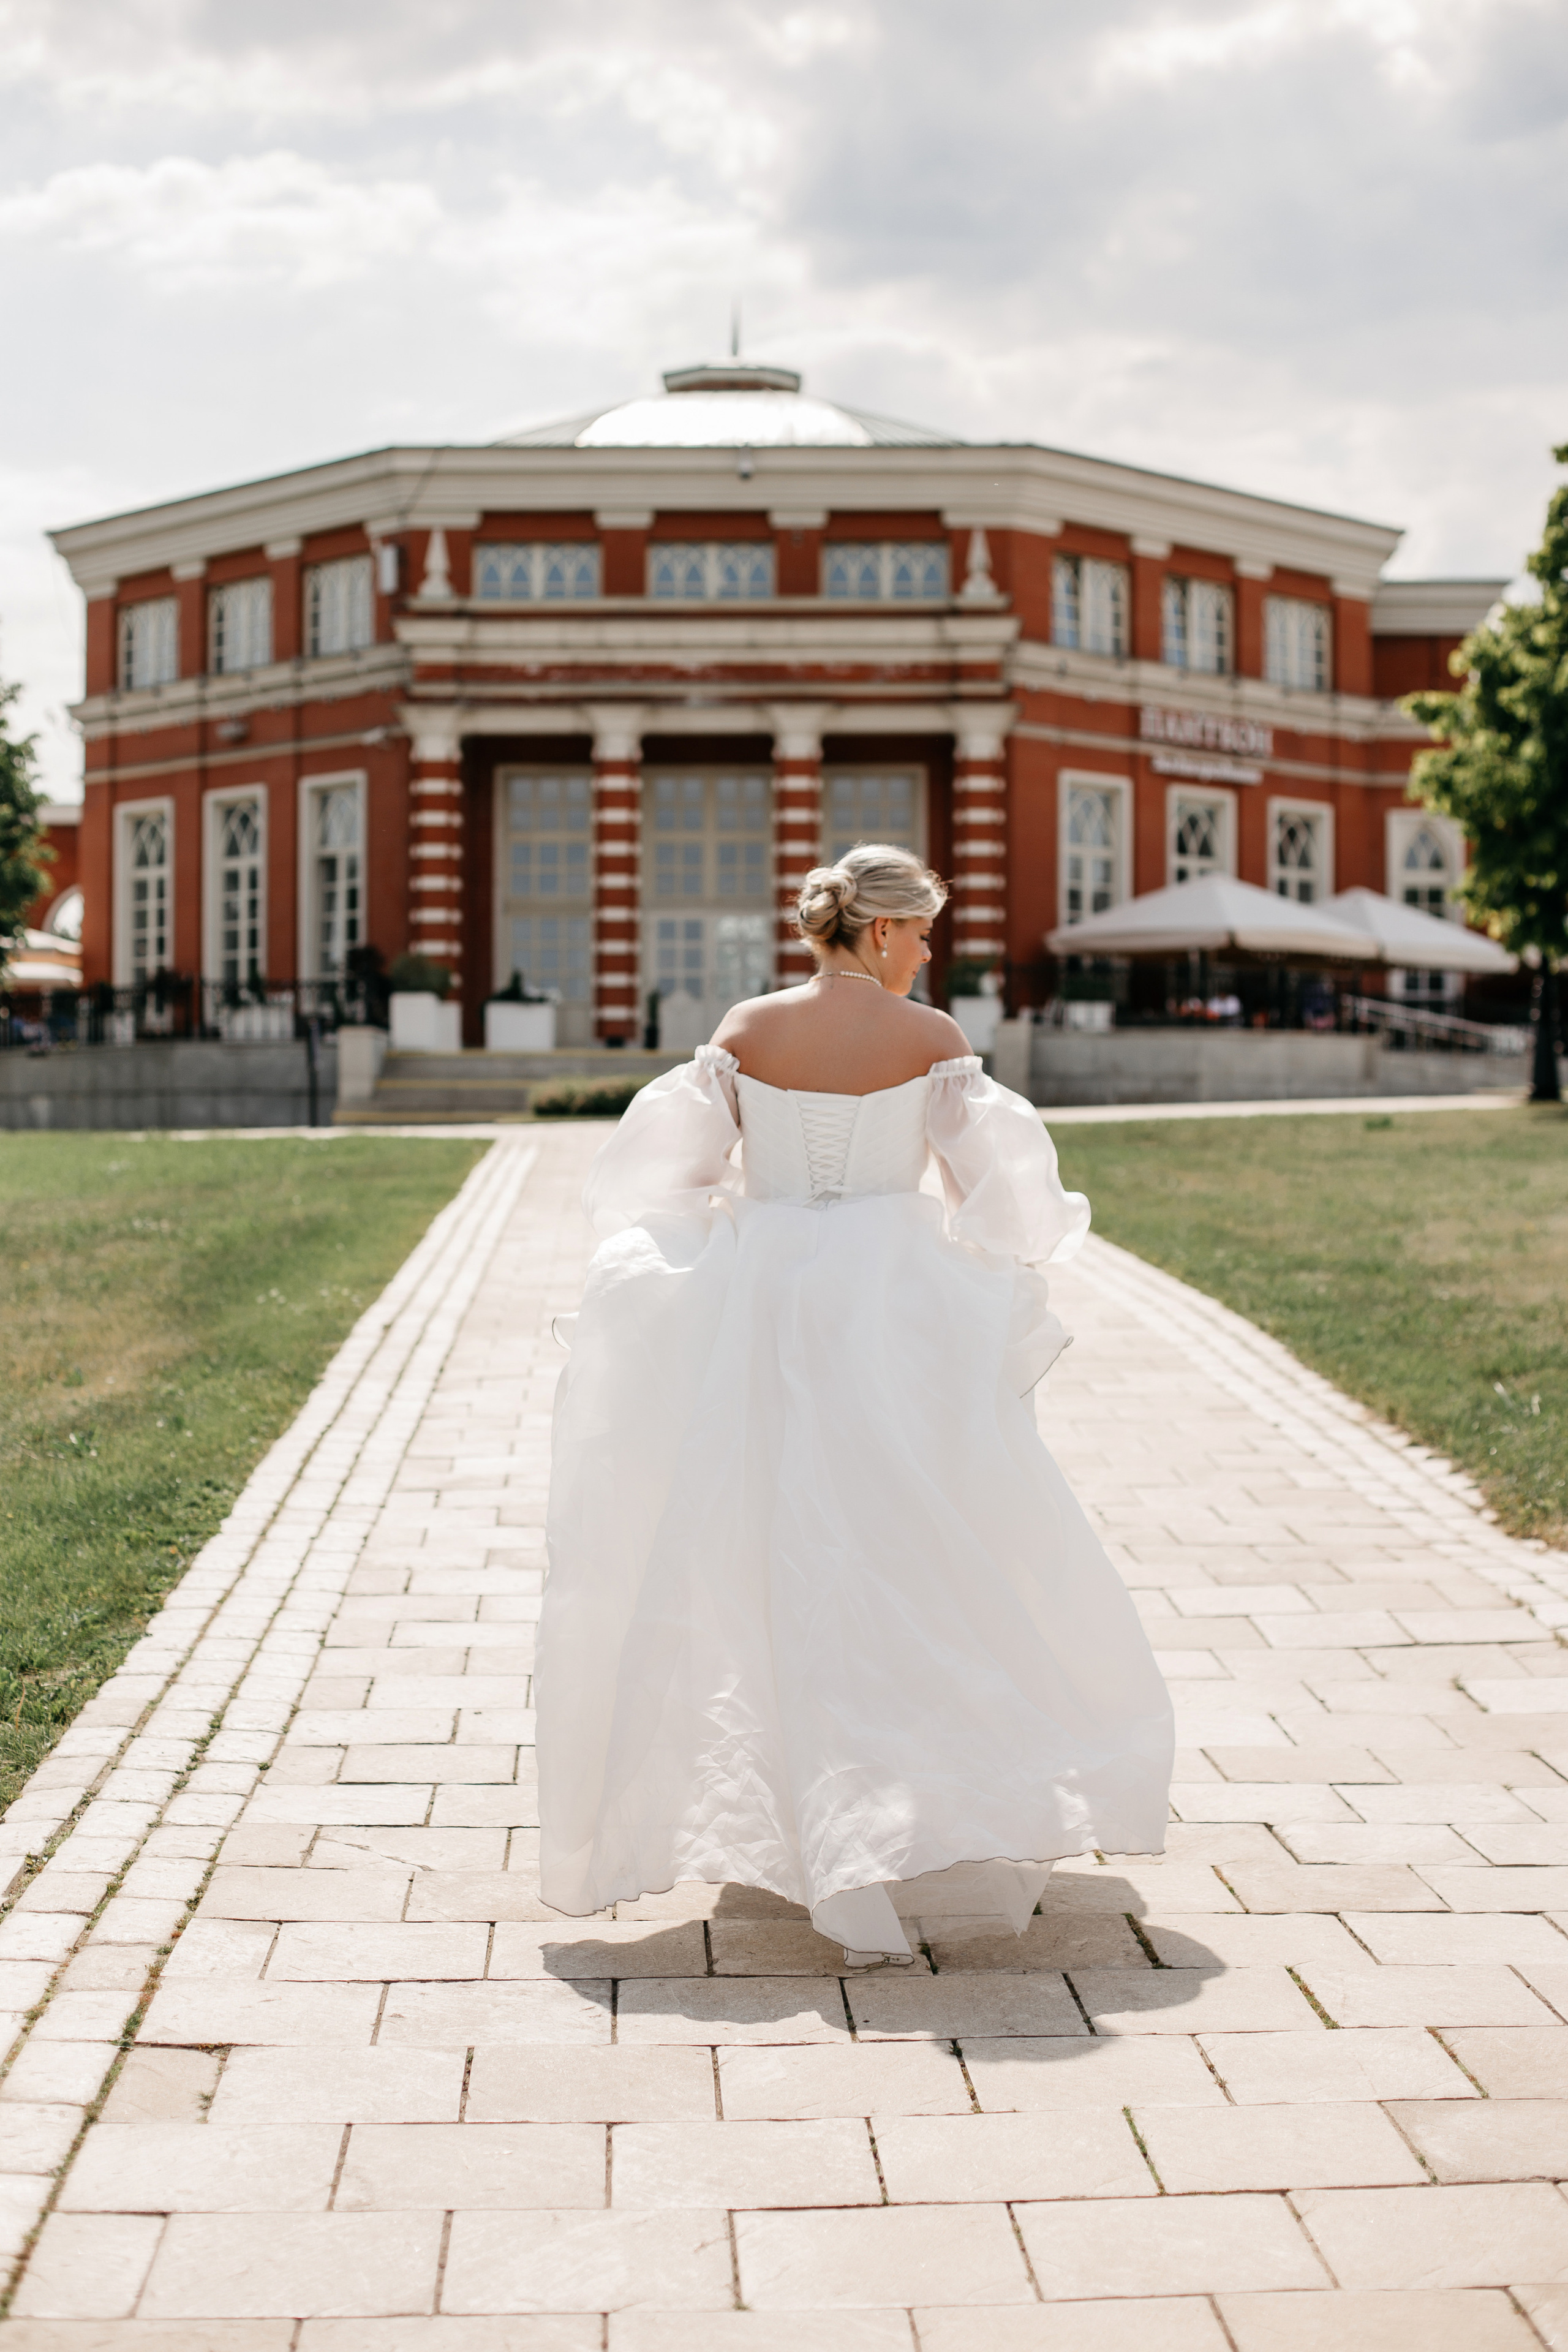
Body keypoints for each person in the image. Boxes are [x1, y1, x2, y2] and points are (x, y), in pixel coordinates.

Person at [536, 843, 1173, 1967]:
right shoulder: (930, 1040)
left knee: (764, 1553)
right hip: (893, 1306)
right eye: (922, 932)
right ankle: (917, 1802)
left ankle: (794, 1812)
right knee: (918, 1547)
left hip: (765, 1301)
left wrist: (742, 1220)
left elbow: (661, 1178)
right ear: (880, 934)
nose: (929, 951)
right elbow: (1002, 1199)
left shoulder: (746, 1028)